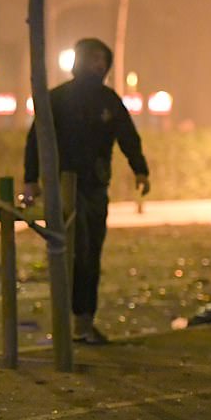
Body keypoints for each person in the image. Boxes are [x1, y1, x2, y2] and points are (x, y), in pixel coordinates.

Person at [21, 38, 150, 345]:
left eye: (101, 59)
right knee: (72, 251)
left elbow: (128, 136)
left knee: (91, 254)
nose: (96, 64)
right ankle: (67, 322)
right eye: (90, 58)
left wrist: (140, 168)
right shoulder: (57, 98)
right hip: (61, 188)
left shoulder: (109, 100)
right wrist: (30, 179)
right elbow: (35, 138)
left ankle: (83, 321)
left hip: (96, 187)